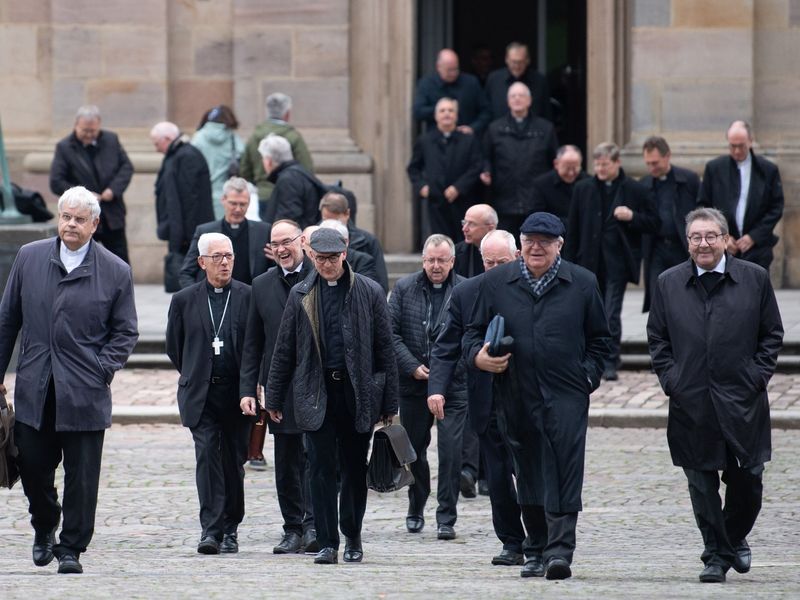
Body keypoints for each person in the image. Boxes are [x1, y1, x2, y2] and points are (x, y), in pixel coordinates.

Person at [463, 212, 610, 581]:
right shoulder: (497, 282)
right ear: (521, 244)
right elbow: (471, 333)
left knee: (565, 468)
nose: (536, 247)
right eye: (530, 240)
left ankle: (559, 551)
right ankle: (535, 549)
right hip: (515, 392)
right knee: (527, 470)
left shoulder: (582, 282)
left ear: (559, 245)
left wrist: (586, 377)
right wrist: (478, 358)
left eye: (545, 241)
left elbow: (600, 341)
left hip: (567, 393)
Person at [0, 186, 138, 574]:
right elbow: (8, 319)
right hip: (36, 386)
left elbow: (126, 331)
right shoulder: (30, 257)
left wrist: (100, 368)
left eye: (79, 219)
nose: (71, 224)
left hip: (84, 391)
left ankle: (72, 548)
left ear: (95, 224)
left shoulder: (115, 270)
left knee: (82, 476)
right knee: (31, 464)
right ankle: (45, 524)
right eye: (65, 216)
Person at [647, 207, 783, 583]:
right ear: (687, 241)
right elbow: (657, 337)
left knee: (749, 479)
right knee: (701, 482)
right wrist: (673, 379)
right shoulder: (668, 282)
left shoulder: (754, 278)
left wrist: (756, 376)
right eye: (696, 237)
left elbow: (772, 333)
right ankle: (716, 555)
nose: (703, 244)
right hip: (691, 400)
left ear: (726, 239)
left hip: (742, 399)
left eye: (711, 236)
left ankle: (733, 537)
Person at [264, 228, 398, 565]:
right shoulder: (301, 293)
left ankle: (352, 535)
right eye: (321, 258)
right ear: (311, 256)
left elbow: (386, 350)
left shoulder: (369, 291)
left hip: (357, 394)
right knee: (319, 468)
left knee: (354, 467)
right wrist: (274, 398)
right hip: (316, 393)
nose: (327, 264)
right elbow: (284, 349)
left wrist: (389, 403)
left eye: (333, 258)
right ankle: (326, 542)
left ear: (344, 254)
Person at [428, 229, 527, 567]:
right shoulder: (467, 292)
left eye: (502, 262)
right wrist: (437, 388)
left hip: (528, 400)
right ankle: (511, 542)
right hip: (486, 400)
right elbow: (445, 346)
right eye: (489, 262)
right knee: (497, 479)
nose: (495, 268)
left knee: (531, 474)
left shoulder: (533, 289)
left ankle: (541, 539)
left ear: (516, 257)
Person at [166, 233, 252, 555]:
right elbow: (175, 347)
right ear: (202, 262)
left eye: (229, 256)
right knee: (207, 457)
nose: (225, 262)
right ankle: (211, 531)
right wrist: (196, 372)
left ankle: (231, 527)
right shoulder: (184, 300)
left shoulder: (248, 295)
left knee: (233, 462)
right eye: (217, 257)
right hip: (201, 393)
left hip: (237, 394)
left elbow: (254, 346)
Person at [239, 220, 317, 555]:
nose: (281, 249)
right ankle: (292, 529)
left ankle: (315, 525)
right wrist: (248, 389)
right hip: (279, 388)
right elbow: (252, 344)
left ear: (302, 241)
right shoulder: (260, 285)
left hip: (317, 386)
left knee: (316, 458)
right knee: (286, 462)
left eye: (287, 241)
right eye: (275, 244)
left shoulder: (321, 276)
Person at [388, 234, 467, 540]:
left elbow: (470, 339)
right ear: (422, 260)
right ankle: (416, 504)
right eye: (431, 260)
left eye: (442, 260)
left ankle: (446, 516)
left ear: (452, 261)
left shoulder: (466, 289)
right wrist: (411, 366)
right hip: (413, 385)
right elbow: (391, 333)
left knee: (451, 453)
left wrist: (442, 376)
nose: (436, 266)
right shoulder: (404, 287)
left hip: (453, 387)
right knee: (413, 451)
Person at [563, 142, 659, 381]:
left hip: (618, 262)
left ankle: (609, 360)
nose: (599, 169)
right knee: (586, 312)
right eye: (596, 165)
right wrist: (568, 263)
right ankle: (588, 358)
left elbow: (654, 222)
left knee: (610, 312)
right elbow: (573, 229)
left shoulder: (634, 189)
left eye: (604, 164)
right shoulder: (583, 188)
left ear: (617, 162)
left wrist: (632, 216)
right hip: (589, 261)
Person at [49, 105, 134, 264]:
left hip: (111, 215)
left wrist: (113, 190)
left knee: (119, 260)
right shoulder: (64, 147)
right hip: (81, 216)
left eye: (93, 131)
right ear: (76, 125)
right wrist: (84, 196)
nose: (89, 135)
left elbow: (126, 167)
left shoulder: (111, 140)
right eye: (85, 130)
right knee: (82, 261)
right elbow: (56, 181)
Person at [697, 121, 784, 271]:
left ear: (751, 141)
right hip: (723, 249)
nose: (737, 151)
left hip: (758, 248)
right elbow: (704, 206)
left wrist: (754, 236)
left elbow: (776, 206)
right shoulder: (715, 168)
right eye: (732, 146)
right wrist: (722, 235)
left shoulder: (767, 170)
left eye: (741, 146)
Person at [481, 82, 558, 237]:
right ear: (508, 101)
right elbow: (485, 157)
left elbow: (554, 161)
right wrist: (486, 171)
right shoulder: (494, 129)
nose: (517, 99)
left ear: (529, 100)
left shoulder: (545, 128)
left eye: (521, 95)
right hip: (504, 200)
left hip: (536, 201)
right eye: (513, 96)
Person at [408, 98, 483, 243]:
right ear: (436, 116)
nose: (446, 114)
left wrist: (458, 187)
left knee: (464, 241)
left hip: (463, 201)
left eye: (450, 110)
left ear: (456, 115)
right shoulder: (425, 140)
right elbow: (413, 168)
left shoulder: (468, 140)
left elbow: (477, 166)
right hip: (436, 202)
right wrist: (422, 187)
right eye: (442, 111)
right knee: (440, 242)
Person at [639, 135, 700, 312]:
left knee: (685, 296)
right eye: (648, 163)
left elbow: (701, 211)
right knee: (657, 297)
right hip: (656, 249)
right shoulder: (644, 184)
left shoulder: (689, 179)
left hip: (682, 247)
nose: (651, 168)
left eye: (655, 163)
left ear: (667, 156)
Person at [151, 121, 215, 288]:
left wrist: (185, 236)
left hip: (189, 235)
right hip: (183, 232)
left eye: (157, 144)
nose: (156, 149)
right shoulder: (176, 155)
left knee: (189, 281)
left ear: (167, 138)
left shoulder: (187, 156)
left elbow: (190, 201)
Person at [179, 177, 273, 288]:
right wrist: (199, 295)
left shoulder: (263, 231)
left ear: (249, 203)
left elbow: (275, 271)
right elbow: (186, 273)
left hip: (252, 296)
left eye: (242, 204)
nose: (238, 209)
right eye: (233, 203)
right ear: (223, 200)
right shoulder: (205, 232)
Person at [239, 93, 314, 221]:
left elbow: (245, 170)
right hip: (289, 195)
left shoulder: (254, 136)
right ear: (287, 113)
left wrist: (261, 183)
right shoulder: (294, 137)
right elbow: (307, 169)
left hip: (263, 195)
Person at [319, 192, 389, 292]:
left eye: (338, 221)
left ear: (347, 214)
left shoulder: (367, 241)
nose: (332, 226)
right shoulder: (310, 237)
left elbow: (380, 285)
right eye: (327, 220)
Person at [413, 49, 492, 136]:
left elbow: (486, 111)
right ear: (438, 67)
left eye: (455, 69)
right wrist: (443, 109)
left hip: (466, 138)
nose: (453, 73)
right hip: (436, 139)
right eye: (449, 70)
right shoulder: (427, 83)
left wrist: (473, 128)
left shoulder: (471, 82)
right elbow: (418, 112)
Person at [259, 133, 325, 228]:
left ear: (268, 160)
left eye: (263, 158)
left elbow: (288, 219)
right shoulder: (298, 173)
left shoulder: (288, 180)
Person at [192, 105, 246, 220]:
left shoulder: (198, 138)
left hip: (202, 196)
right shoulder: (234, 139)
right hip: (228, 196)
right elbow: (245, 164)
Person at [530, 144, 589, 234]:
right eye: (566, 168)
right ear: (556, 164)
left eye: (575, 168)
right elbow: (537, 216)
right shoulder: (541, 184)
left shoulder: (589, 183)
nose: (571, 173)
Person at [485, 42, 550, 122]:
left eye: (520, 62)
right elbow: (486, 110)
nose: (516, 66)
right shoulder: (494, 79)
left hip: (533, 128)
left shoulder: (539, 80)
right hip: (498, 128)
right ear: (506, 59)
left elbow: (546, 112)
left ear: (527, 60)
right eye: (513, 62)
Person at [319, 220, 384, 291]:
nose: (327, 264)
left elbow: (369, 291)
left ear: (345, 242)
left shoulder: (363, 261)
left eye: (332, 242)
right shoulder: (313, 260)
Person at [453, 204, 498, 278]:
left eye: (471, 224)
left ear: (490, 228)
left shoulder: (505, 250)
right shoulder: (456, 251)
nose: (464, 229)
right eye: (464, 223)